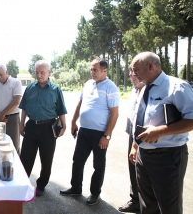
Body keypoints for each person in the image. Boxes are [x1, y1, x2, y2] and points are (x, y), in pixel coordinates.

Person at [129, 52, 193, 214]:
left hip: (168, 157)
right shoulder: (144, 88)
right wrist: (136, 146)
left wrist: (161, 131)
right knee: (147, 206)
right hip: (144, 156)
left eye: (136, 69)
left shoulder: (176, 87)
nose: (133, 73)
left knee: (168, 207)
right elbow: (141, 120)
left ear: (150, 66)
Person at [60, 58, 120, 206]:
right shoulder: (88, 84)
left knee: (98, 165)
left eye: (95, 70)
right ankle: (76, 188)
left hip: (100, 133)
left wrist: (107, 135)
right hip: (84, 131)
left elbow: (114, 114)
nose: (92, 72)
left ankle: (95, 193)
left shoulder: (111, 88)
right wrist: (74, 122)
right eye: (91, 69)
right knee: (78, 160)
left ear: (104, 70)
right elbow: (80, 103)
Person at [19, 60, 67, 196]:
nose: (39, 75)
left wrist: (64, 125)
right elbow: (23, 108)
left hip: (48, 128)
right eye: (37, 72)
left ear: (49, 73)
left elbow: (61, 109)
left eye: (42, 72)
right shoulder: (29, 88)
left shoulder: (56, 89)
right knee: (25, 157)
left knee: (46, 159)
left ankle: (41, 185)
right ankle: (23, 182)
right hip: (31, 127)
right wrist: (21, 124)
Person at [118, 66, 144, 213]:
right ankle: (135, 200)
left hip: (146, 137)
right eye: (130, 73)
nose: (133, 76)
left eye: (136, 73)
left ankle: (147, 204)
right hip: (133, 135)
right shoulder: (134, 91)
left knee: (145, 172)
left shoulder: (149, 90)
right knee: (132, 167)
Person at [0, 64, 22, 152]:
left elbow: (16, 101)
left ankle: (14, 164)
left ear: (6, 72)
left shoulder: (16, 82)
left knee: (13, 145)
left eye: (1, 74)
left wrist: (2, 114)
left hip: (12, 119)